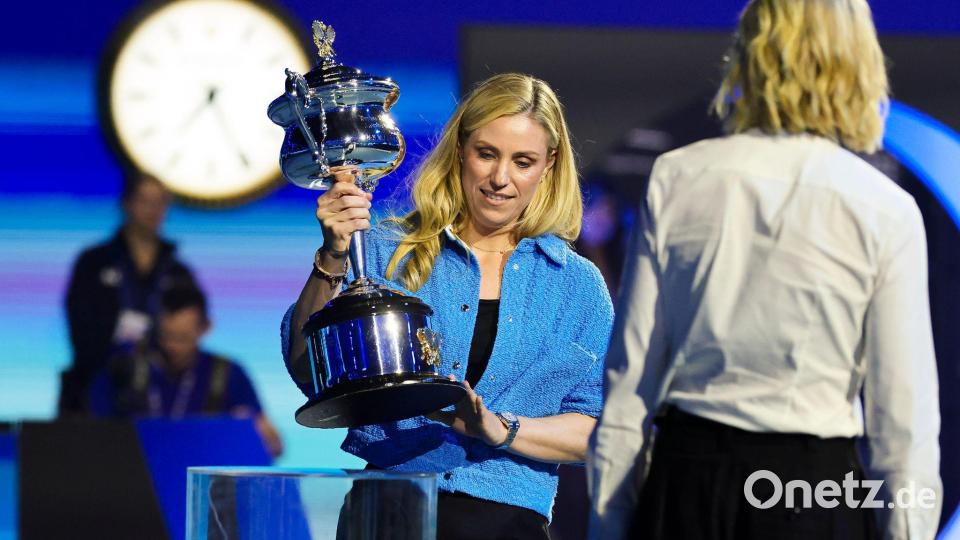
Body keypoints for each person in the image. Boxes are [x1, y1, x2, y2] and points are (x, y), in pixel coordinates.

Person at [588, 1, 942, 539]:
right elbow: (903, 425)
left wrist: (608, 526)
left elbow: (629, 385)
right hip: (812, 492)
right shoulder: (883, 209)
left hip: (689, 481)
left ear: (749, 54)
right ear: (857, 60)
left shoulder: (678, 179)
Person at [281, 73, 614, 539]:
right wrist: (333, 255)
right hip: (390, 508)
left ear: (548, 165)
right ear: (460, 149)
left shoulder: (577, 286)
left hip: (505, 521)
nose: (500, 179)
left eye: (523, 161)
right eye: (486, 154)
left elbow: (598, 429)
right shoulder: (386, 250)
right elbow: (307, 368)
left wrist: (499, 429)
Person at [59, 172, 196, 416]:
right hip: (96, 387)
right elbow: (79, 326)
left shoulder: (178, 271)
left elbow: (191, 328)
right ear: (126, 203)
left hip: (162, 394)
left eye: (160, 202)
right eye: (145, 201)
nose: (153, 210)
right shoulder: (94, 262)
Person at [90, 285, 283, 457]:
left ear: (205, 327)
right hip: (136, 474)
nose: (173, 347)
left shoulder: (227, 373)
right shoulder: (123, 368)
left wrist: (254, 431)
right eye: (166, 336)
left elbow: (275, 447)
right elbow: (93, 435)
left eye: (183, 338)